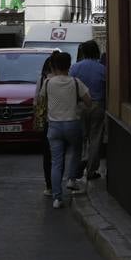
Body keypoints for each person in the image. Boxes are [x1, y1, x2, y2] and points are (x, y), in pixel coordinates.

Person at [45, 51, 92, 208]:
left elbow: (40, 99)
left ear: (54, 65)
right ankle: (72, 179)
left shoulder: (47, 83)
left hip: (54, 126)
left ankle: (57, 198)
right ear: (69, 65)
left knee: (56, 162)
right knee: (76, 150)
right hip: (72, 123)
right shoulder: (75, 82)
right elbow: (88, 101)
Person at [70, 40, 106, 180]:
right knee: (95, 138)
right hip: (97, 105)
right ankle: (91, 170)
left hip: (79, 106)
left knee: (80, 139)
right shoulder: (102, 69)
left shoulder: (75, 68)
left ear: (83, 52)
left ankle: (80, 162)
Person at [34, 55, 55, 196]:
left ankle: (50, 186)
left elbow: (37, 102)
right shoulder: (69, 79)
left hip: (48, 122)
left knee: (48, 156)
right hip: (65, 121)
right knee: (60, 157)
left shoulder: (42, 80)